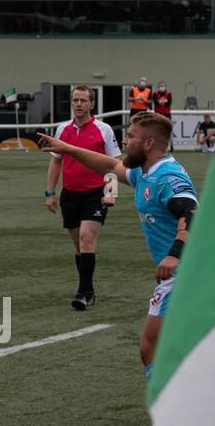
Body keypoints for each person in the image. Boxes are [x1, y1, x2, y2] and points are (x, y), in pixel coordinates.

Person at [39, 112, 197, 382]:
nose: (125, 141)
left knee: (151, 347)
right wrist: (67, 149)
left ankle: (173, 415)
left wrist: (174, 256)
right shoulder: (145, 172)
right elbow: (110, 166)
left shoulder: (167, 177)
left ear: (148, 143)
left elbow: (191, 213)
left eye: (131, 136)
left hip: (185, 274)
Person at [44, 85, 120, 309]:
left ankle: (85, 293)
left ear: (92, 104)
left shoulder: (103, 129)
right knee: (79, 246)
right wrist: (50, 193)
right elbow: (56, 161)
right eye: (75, 100)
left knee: (87, 238)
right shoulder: (61, 130)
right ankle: (86, 287)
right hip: (70, 195)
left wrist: (110, 193)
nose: (78, 105)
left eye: (83, 101)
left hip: (95, 193)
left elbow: (114, 163)